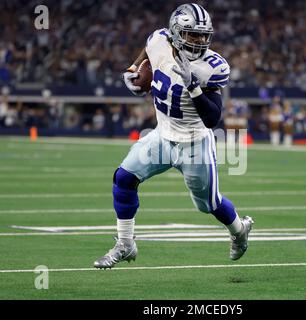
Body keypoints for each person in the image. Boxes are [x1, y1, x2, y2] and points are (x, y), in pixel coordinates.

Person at [94, 3, 254, 269]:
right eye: (193, 34)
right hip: (162, 136)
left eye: (204, 35)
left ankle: (239, 230)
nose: (200, 40)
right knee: (123, 178)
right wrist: (134, 70)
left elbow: (213, 118)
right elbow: (149, 48)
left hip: (195, 145)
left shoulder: (211, 67)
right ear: (177, 32)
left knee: (210, 205)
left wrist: (194, 87)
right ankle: (125, 244)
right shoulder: (160, 40)